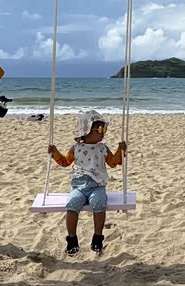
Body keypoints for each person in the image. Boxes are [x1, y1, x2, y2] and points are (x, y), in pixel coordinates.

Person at [48, 109, 127, 255]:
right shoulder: (76, 148)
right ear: (87, 130)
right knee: (72, 204)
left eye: (104, 129)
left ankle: (97, 238)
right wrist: (55, 153)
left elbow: (113, 163)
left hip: (97, 186)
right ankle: (72, 239)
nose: (103, 132)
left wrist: (120, 151)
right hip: (78, 186)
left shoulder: (103, 148)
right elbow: (65, 162)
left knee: (99, 203)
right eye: (100, 129)